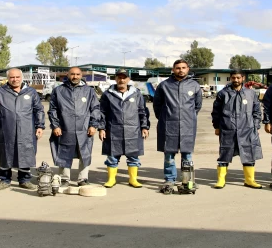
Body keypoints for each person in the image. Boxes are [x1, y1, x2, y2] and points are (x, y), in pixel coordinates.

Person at [0, 68, 45, 190]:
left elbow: (38, 110)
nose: (15, 79)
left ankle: (24, 180)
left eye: (17, 77)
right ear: (8, 78)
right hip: (5, 129)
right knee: (5, 153)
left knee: (25, 153)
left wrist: (40, 126)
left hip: (27, 130)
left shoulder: (31, 92)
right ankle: (5, 180)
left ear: (21, 77)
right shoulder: (0, 92)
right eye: (12, 77)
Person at [153, 59, 202, 191]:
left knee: (187, 154)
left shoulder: (194, 86)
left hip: (187, 125)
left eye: (183, 68)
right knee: (169, 154)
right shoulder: (164, 85)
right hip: (168, 124)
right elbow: (157, 105)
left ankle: (187, 180)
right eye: (178, 68)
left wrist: (188, 117)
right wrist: (165, 117)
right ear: (173, 70)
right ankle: (169, 179)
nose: (181, 70)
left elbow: (197, 106)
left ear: (188, 69)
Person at [48, 67, 100, 187]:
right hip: (65, 127)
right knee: (64, 151)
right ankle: (64, 179)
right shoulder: (59, 90)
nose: (75, 77)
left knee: (84, 153)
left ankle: (83, 179)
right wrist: (55, 125)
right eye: (72, 74)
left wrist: (93, 125)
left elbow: (95, 109)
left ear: (81, 75)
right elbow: (53, 109)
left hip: (85, 128)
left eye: (77, 74)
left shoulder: (89, 91)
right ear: (67, 74)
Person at [211, 69, 263, 189]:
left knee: (248, 154)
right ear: (231, 78)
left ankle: (250, 180)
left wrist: (255, 126)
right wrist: (217, 126)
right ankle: (221, 180)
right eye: (233, 78)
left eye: (238, 78)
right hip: (228, 129)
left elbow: (257, 111)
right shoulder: (223, 93)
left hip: (247, 130)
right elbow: (216, 112)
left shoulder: (250, 93)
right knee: (225, 154)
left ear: (243, 78)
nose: (236, 80)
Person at [98, 69, 150, 188]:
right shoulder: (108, 94)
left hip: (133, 130)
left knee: (133, 156)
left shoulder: (136, 94)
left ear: (128, 79)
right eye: (119, 77)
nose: (121, 80)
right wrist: (101, 128)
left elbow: (142, 111)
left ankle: (133, 179)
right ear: (115, 79)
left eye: (124, 77)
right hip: (113, 130)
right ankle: (111, 179)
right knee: (112, 156)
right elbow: (102, 113)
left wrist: (144, 127)